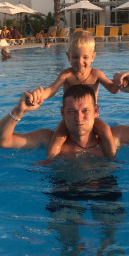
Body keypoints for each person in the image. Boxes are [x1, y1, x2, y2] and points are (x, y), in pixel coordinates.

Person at [0, 73, 129, 159]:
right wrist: (18, 111)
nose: (79, 119)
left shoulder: (114, 137)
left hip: (104, 189)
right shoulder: (47, 138)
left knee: (111, 224)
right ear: (62, 113)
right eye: (72, 112)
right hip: (64, 192)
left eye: (85, 111)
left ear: (96, 111)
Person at [27, 30, 119, 160]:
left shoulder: (96, 74)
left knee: (105, 130)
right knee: (58, 137)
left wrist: (120, 83)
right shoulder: (66, 75)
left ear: (93, 57)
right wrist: (39, 95)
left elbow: (113, 89)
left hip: (89, 118)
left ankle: (112, 160)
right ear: (68, 56)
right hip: (70, 118)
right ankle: (50, 161)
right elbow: (51, 90)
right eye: (75, 57)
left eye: (85, 57)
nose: (80, 62)